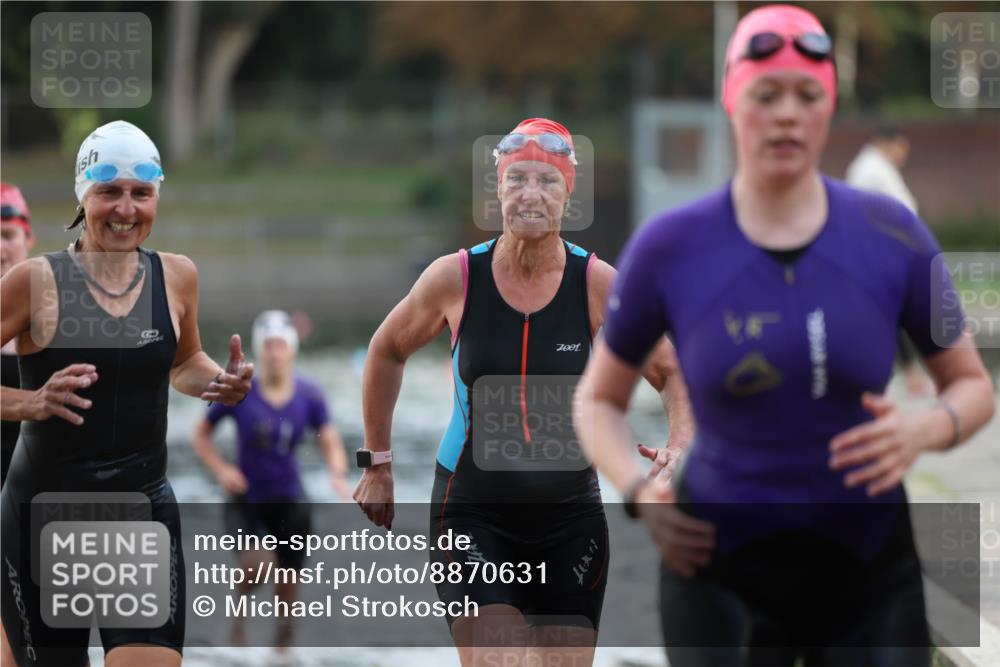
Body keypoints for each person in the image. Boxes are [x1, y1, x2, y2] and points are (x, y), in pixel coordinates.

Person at [575, 6, 995, 667]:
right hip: (716, 566)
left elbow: (972, 385)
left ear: (828, 109)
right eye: (765, 95)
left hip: (867, 567)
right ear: (731, 101)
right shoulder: (670, 247)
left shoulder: (895, 236)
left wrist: (926, 427)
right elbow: (597, 400)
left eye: (808, 95)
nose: (787, 114)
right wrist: (637, 492)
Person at [354, 118, 694, 666]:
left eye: (547, 182)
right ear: (499, 190)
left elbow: (672, 373)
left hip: (570, 518)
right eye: (518, 181)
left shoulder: (598, 284)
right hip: (471, 513)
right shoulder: (455, 278)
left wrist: (678, 446)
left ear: (568, 194)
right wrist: (377, 461)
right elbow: (386, 350)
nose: (531, 195)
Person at [1, 120, 253, 667]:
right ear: (82, 196)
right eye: (108, 192)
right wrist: (30, 402)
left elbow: (184, 361)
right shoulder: (35, 282)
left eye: (142, 193)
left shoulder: (176, 277)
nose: (125, 209)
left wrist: (217, 382)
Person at [191, 309, 351, 651]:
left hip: (290, 501)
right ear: (260, 351)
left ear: (291, 350)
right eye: (269, 346)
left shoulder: (309, 394)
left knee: (288, 596)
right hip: (246, 499)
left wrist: (337, 473)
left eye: (281, 346)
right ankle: (236, 617)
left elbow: (331, 438)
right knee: (260, 565)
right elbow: (201, 436)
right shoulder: (240, 390)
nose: (275, 353)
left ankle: (282, 649)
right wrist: (222, 470)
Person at [846, 126, 934, 397]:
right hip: (877, 253)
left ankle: (909, 375)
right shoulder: (872, 169)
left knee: (888, 314)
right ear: (887, 144)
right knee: (891, 313)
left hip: (878, 252)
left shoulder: (872, 166)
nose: (902, 156)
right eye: (901, 149)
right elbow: (902, 210)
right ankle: (909, 375)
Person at [1, 183, 36, 486]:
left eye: (7, 236)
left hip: (37, 489)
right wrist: (33, 402)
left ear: (28, 239)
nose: (0, 249)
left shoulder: (56, 316)